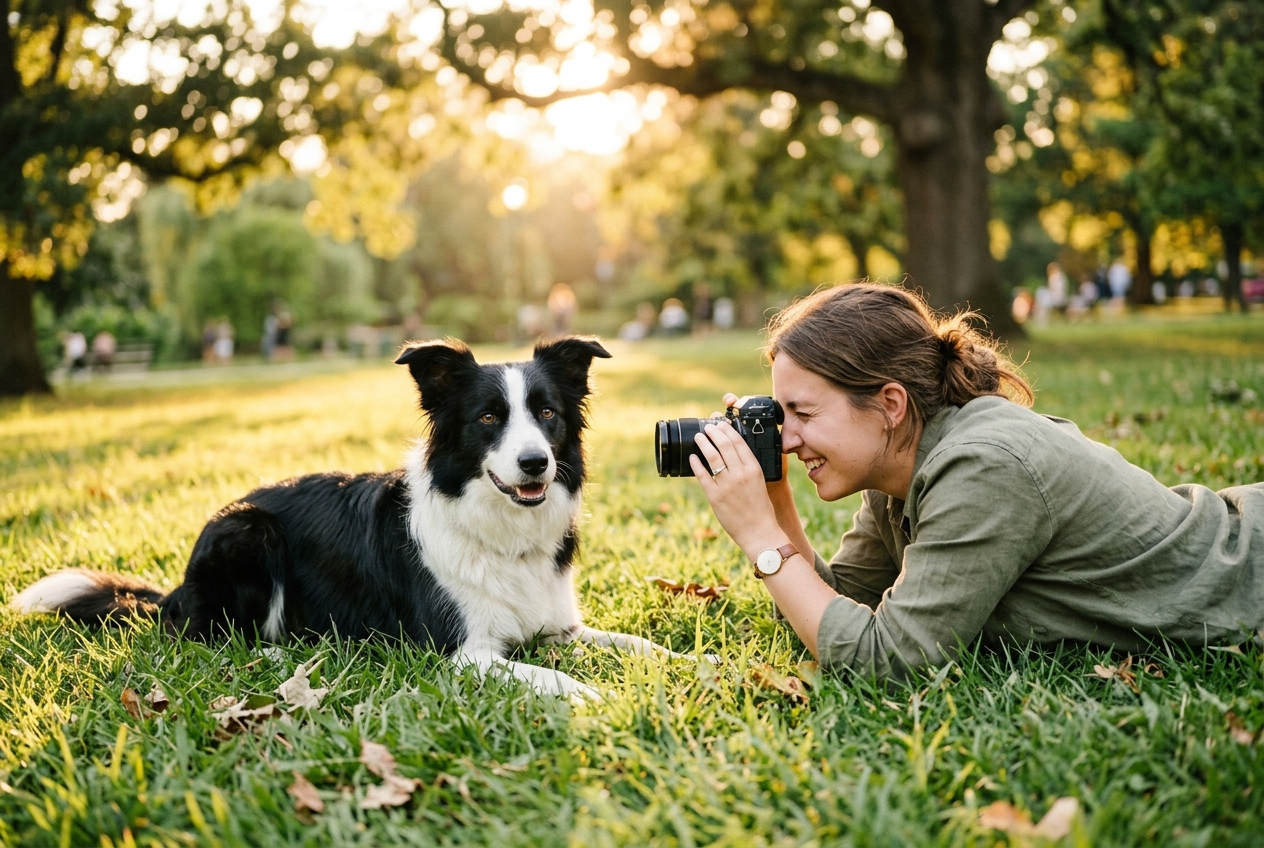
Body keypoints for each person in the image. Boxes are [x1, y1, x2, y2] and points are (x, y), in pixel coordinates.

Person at [688, 282, 1264, 680]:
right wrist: (775, 498)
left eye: (803, 414)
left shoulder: (983, 466)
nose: (786, 437)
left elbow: (886, 664)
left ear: (890, 403)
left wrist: (763, 541)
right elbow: (835, 613)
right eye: (780, 417)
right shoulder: (901, 465)